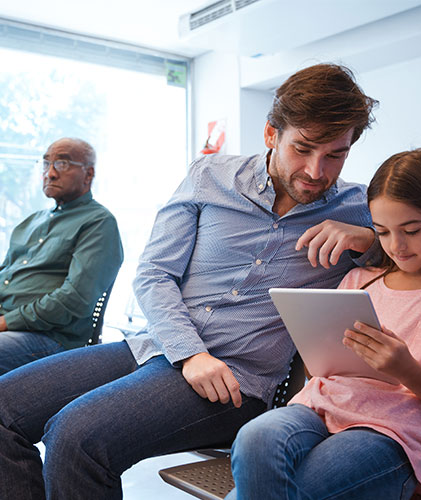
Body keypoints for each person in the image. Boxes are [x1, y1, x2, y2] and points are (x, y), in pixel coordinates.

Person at [0, 63, 379, 499]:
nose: (317, 170)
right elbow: (154, 273)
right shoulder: (210, 177)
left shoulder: (358, 206)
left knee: (75, 437)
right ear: (271, 134)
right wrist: (190, 352)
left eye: (336, 154)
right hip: (156, 348)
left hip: (236, 384)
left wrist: (369, 239)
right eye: (304, 148)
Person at [227, 148, 421, 500]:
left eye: (411, 230)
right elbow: (319, 373)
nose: (396, 246)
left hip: (389, 433)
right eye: (383, 232)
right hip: (315, 410)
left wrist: (406, 369)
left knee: (278, 492)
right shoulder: (360, 280)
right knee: (253, 439)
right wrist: (319, 346)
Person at [0, 137, 123, 374]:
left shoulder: (98, 223)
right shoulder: (30, 223)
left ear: (88, 175)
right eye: (46, 164)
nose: (50, 173)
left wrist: (7, 322)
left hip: (50, 338)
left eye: (62, 164)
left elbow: (75, 299)